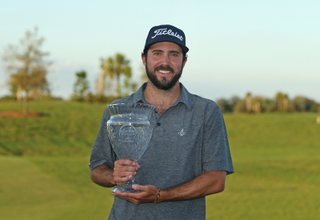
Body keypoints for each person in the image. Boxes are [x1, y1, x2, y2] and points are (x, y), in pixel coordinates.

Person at [89, 24, 234, 220]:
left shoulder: (206, 111)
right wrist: (113, 176)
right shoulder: (118, 110)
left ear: (184, 62)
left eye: (174, 55)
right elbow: (97, 169)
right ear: (144, 59)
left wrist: (159, 195)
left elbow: (216, 180)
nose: (165, 62)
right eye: (157, 53)